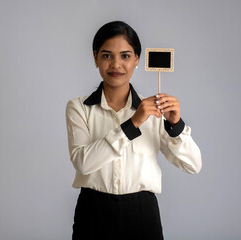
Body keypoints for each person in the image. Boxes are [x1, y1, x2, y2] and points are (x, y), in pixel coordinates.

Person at [65, 21, 202, 240]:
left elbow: (193, 165)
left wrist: (175, 126)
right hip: (93, 211)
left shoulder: (155, 112)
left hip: (141, 214)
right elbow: (83, 162)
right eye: (107, 55)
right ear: (95, 58)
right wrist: (133, 124)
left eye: (125, 56)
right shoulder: (79, 108)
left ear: (137, 59)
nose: (116, 65)